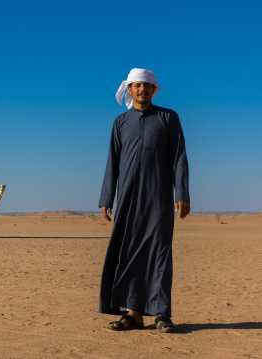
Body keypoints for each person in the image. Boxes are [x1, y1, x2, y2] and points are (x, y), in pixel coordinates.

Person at [98, 68, 190, 333]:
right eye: (137, 86)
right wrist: (106, 197)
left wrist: (181, 193)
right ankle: (133, 314)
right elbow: (112, 162)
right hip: (127, 198)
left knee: (159, 253)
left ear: (154, 90)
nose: (142, 90)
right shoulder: (120, 122)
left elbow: (180, 157)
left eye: (147, 86)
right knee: (128, 253)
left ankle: (162, 314)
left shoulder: (168, 118)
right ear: (129, 89)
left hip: (159, 196)